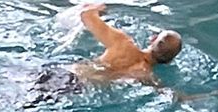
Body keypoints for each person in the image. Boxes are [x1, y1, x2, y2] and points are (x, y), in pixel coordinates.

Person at [30, 2, 183, 102]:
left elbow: (86, 16)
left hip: (63, 73)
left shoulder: (123, 43)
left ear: (152, 39)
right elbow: (169, 95)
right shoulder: (147, 76)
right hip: (74, 89)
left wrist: (99, 8)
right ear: (170, 61)